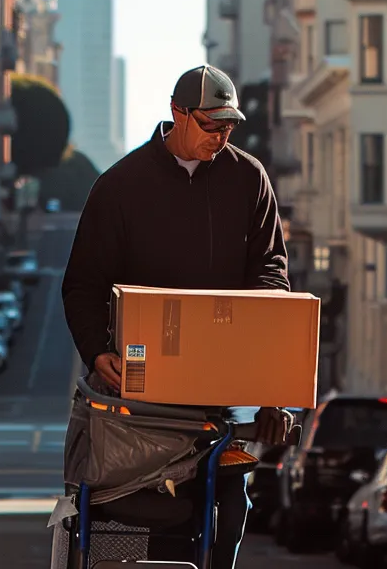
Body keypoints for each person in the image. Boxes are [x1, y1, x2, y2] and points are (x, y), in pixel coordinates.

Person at [63, 64, 296, 568]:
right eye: (211, 125)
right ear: (177, 114)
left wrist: (273, 381)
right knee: (129, 516)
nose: (221, 136)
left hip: (220, 396)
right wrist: (97, 350)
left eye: (229, 127)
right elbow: (82, 284)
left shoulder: (248, 178)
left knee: (228, 513)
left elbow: (272, 275)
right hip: (140, 401)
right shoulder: (120, 186)